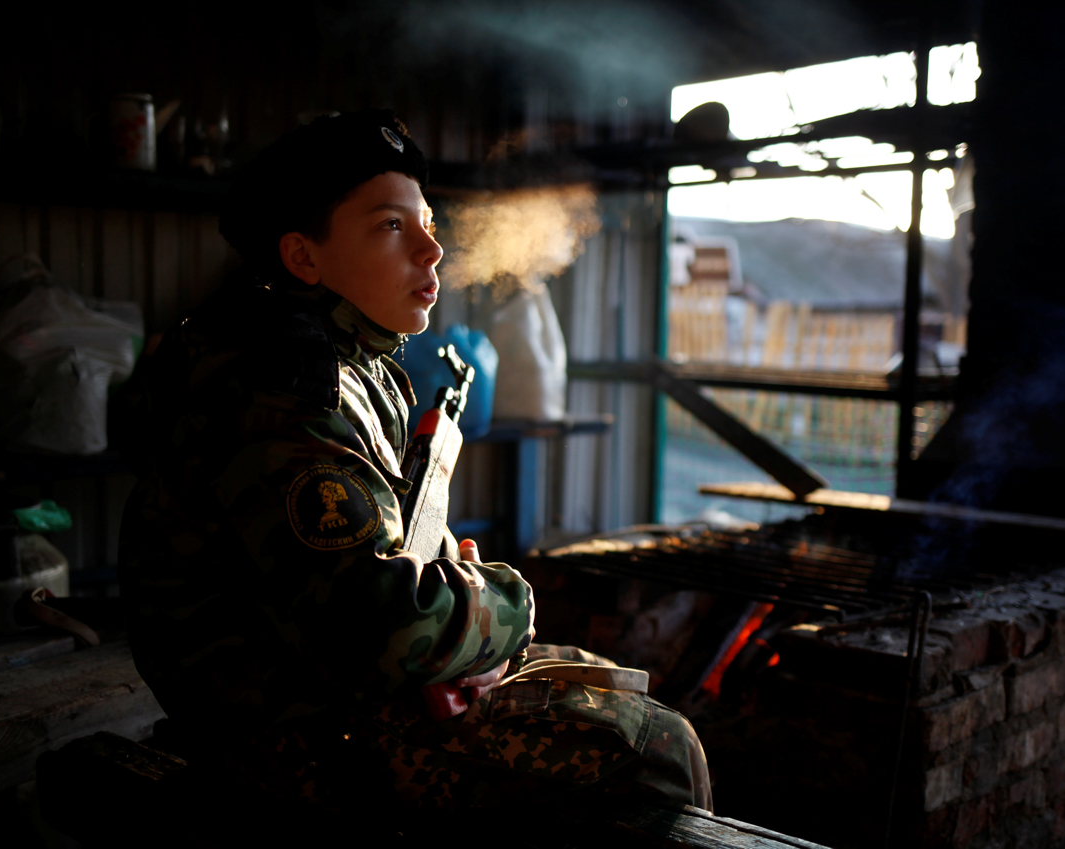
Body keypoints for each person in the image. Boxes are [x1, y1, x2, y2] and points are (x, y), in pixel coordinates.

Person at [118, 109, 711, 814]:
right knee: (653, 751)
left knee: (620, 684)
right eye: (391, 226)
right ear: (303, 257)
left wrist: (447, 593)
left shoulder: (351, 359)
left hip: (330, 689)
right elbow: (380, 628)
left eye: (427, 222)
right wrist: (504, 600)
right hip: (283, 735)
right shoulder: (283, 392)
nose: (431, 250)